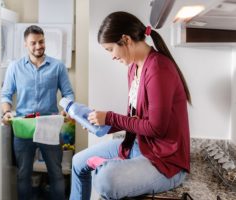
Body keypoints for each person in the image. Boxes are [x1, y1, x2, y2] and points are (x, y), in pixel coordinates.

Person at [69, 11, 191, 200]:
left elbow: (156, 128)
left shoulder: (158, 69)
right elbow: (137, 119)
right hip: (140, 145)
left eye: (110, 49)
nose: (111, 56)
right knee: (77, 162)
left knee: (104, 181)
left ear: (125, 40)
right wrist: (103, 124)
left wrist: (110, 117)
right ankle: (109, 164)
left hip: (165, 162)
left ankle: (108, 166)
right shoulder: (134, 68)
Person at [1, 25, 74, 200]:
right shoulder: (15, 67)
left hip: (49, 126)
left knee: (56, 173)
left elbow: (68, 93)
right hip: (23, 126)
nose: (38, 46)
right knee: (23, 174)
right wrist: (7, 112)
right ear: (26, 44)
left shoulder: (58, 66)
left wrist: (67, 108)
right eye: (33, 43)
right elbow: (6, 94)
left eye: (41, 41)